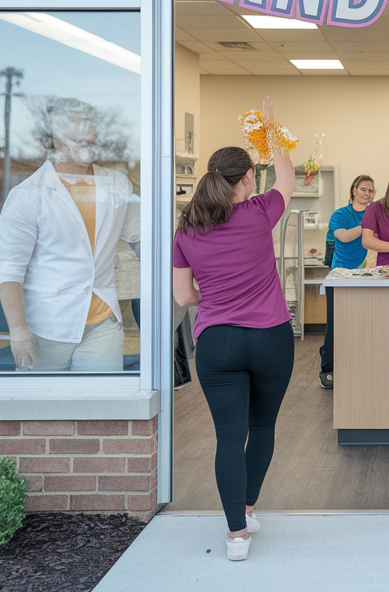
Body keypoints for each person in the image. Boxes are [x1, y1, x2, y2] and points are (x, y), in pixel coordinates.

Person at [172, 97, 295, 561]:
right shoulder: (259, 212)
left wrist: (218, 297)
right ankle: (246, 507)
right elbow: (286, 176)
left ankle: (235, 535)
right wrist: (270, 130)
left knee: (228, 436)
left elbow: (184, 297)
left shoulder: (187, 227)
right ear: (247, 180)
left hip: (217, 341)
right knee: (262, 425)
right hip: (270, 338)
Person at [0, 99, 140, 372]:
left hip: (103, 324)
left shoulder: (117, 183)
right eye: (78, 124)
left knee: (101, 407)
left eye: (91, 125)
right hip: (45, 326)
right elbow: (9, 269)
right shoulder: (29, 194)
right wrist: (18, 331)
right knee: (44, 410)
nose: (89, 133)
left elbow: (143, 240)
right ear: (57, 136)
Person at [319, 174, 376, 389]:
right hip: (341, 276)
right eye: (364, 189)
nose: (368, 194)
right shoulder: (340, 214)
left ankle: (358, 366)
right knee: (335, 324)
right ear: (354, 190)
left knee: (364, 323)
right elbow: (343, 237)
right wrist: (368, 223)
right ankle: (327, 369)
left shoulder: (376, 215)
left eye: (371, 191)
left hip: (369, 276)